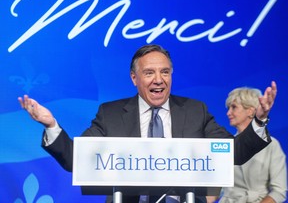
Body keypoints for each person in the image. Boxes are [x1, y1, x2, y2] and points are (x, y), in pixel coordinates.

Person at [18, 44, 277, 203]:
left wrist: (259, 120)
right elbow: (78, 159)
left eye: (165, 72)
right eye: (149, 72)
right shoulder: (110, 114)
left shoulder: (195, 110)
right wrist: (52, 125)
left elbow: (234, 153)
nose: (158, 79)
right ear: (134, 78)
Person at [218, 87, 287, 203]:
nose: (228, 113)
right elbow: (216, 189)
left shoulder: (271, 145)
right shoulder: (226, 146)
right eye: (228, 108)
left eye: (233, 107)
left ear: (250, 111)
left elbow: (279, 191)